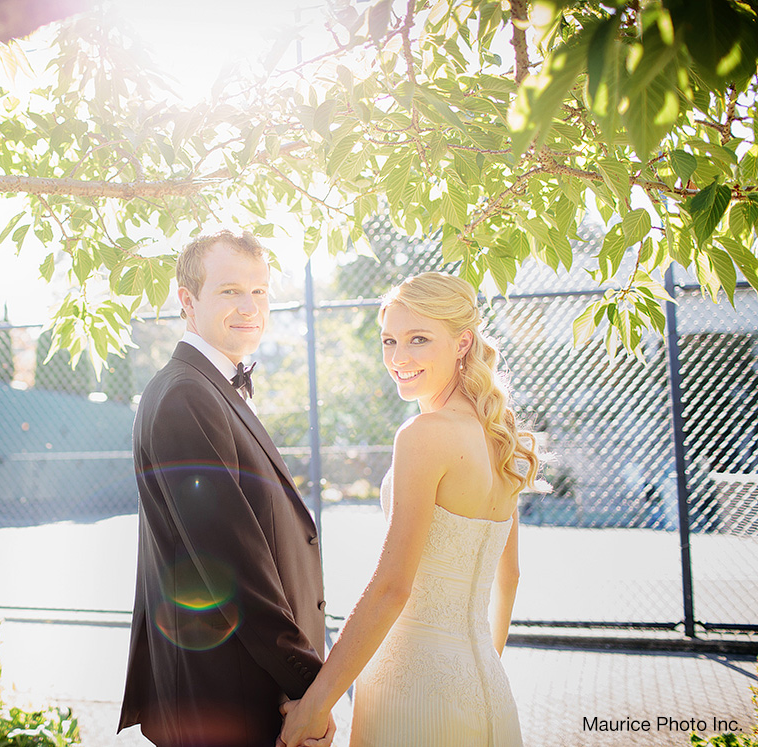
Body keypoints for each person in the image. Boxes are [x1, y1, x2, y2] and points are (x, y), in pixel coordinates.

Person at [278, 271, 539, 747]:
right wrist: (480, 666)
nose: (399, 357)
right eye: (389, 341)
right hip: (487, 689)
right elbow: (511, 576)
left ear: (462, 342)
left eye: (419, 339)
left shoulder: (422, 436)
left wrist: (314, 706)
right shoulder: (503, 438)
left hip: (412, 688)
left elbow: (392, 589)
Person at [118, 230, 334, 747]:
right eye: (230, 291)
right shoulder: (185, 396)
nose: (250, 306)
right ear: (187, 301)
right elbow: (232, 565)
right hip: (225, 701)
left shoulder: (210, 386)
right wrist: (310, 688)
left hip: (245, 689)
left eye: (260, 292)